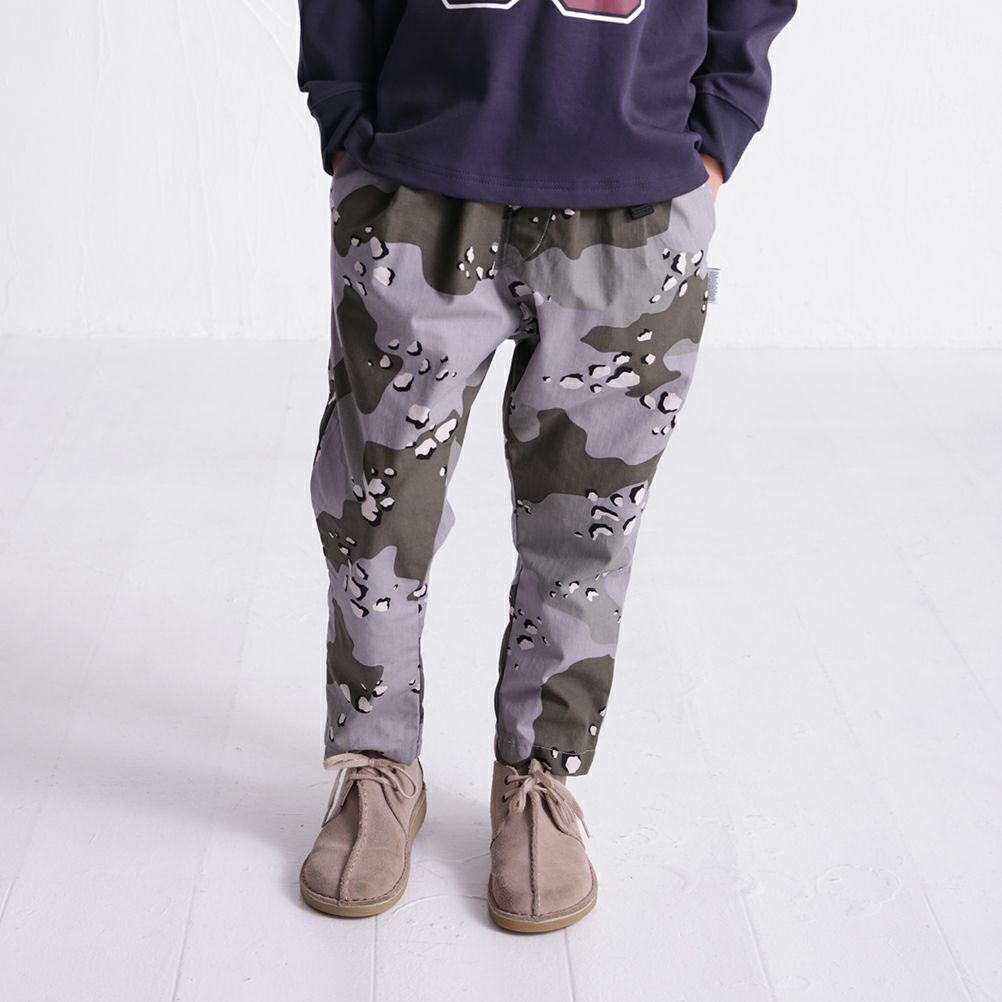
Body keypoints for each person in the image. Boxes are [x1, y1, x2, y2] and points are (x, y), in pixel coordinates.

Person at [295, 0, 796, 933]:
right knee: (375, 507)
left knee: (587, 525)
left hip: (636, 194)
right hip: (418, 179)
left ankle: (539, 775)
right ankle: (376, 764)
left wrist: (720, 128)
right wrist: (344, 113)